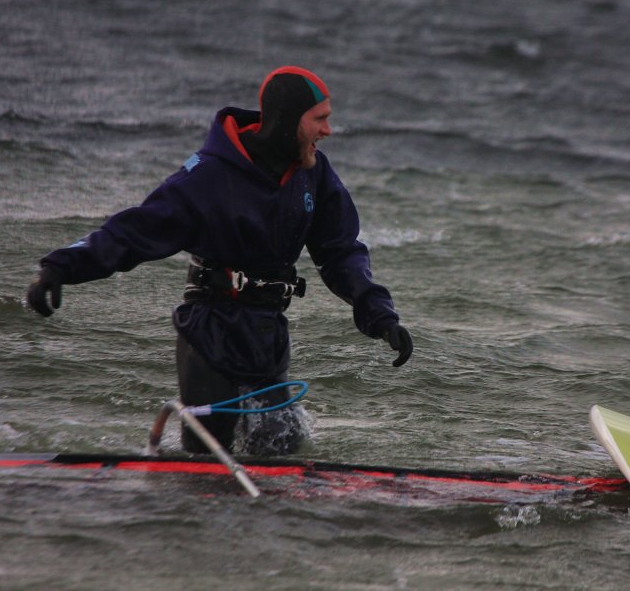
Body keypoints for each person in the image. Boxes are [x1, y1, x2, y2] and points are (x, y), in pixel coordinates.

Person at [27, 66, 413, 455]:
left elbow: (340, 251)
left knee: (284, 461)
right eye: (321, 119)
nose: (328, 131)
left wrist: (380, 316)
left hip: (268, 337)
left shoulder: (314, 173)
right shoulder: (208, 176)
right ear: (287, 121)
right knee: (206, 470)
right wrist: (61, 267)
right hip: (209, 337)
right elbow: (133, 232)